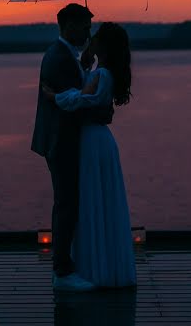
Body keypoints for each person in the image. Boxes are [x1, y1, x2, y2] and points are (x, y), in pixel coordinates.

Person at [42, 22, 137, 288]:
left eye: (94, 38)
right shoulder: (99, 71)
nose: (89, 40)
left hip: (93, 140)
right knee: (92, 200)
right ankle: (93, 264)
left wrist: (53, 96)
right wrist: (85, 66)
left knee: (92, 198)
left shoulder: (104, 74)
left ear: (102, 45)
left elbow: (83, 99)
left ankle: (92, 268)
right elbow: (88, 93)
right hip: (94, 139)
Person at [32, 3, 114, 292]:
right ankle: (63, 271)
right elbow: (75, 103)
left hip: (63, 139)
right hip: (61, 140)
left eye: (90, 27)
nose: (88, 32)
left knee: (69, 202)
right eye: (84, 27)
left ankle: (67, 264)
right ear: (68, 26)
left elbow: (74, 93)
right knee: (66, 203)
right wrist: (101, 113)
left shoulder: (67, 56)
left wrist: (84, 65)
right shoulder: (58, 57)